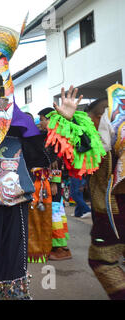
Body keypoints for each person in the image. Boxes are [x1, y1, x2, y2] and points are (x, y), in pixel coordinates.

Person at [0, 22, 103, 300]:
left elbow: (52, 155)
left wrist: (66, 123)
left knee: (11, 281)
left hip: (17, 212)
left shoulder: (23, 123)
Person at [86, 89, 125, 300]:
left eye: (91, 118)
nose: (89, 122)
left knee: (101, 260)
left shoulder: (106, 141)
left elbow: (96, 158)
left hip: (114, 210)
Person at [35, 107, 72, 261]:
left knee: (55, 212)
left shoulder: (55, 138)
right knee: (55, 212)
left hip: (54, 182)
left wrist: (55, 182)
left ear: (50, 120)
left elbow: (57, 163)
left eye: (43, 119)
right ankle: (59, 245)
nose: (41, 123)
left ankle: (61, 249)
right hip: (50, 181)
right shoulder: (52, 136)